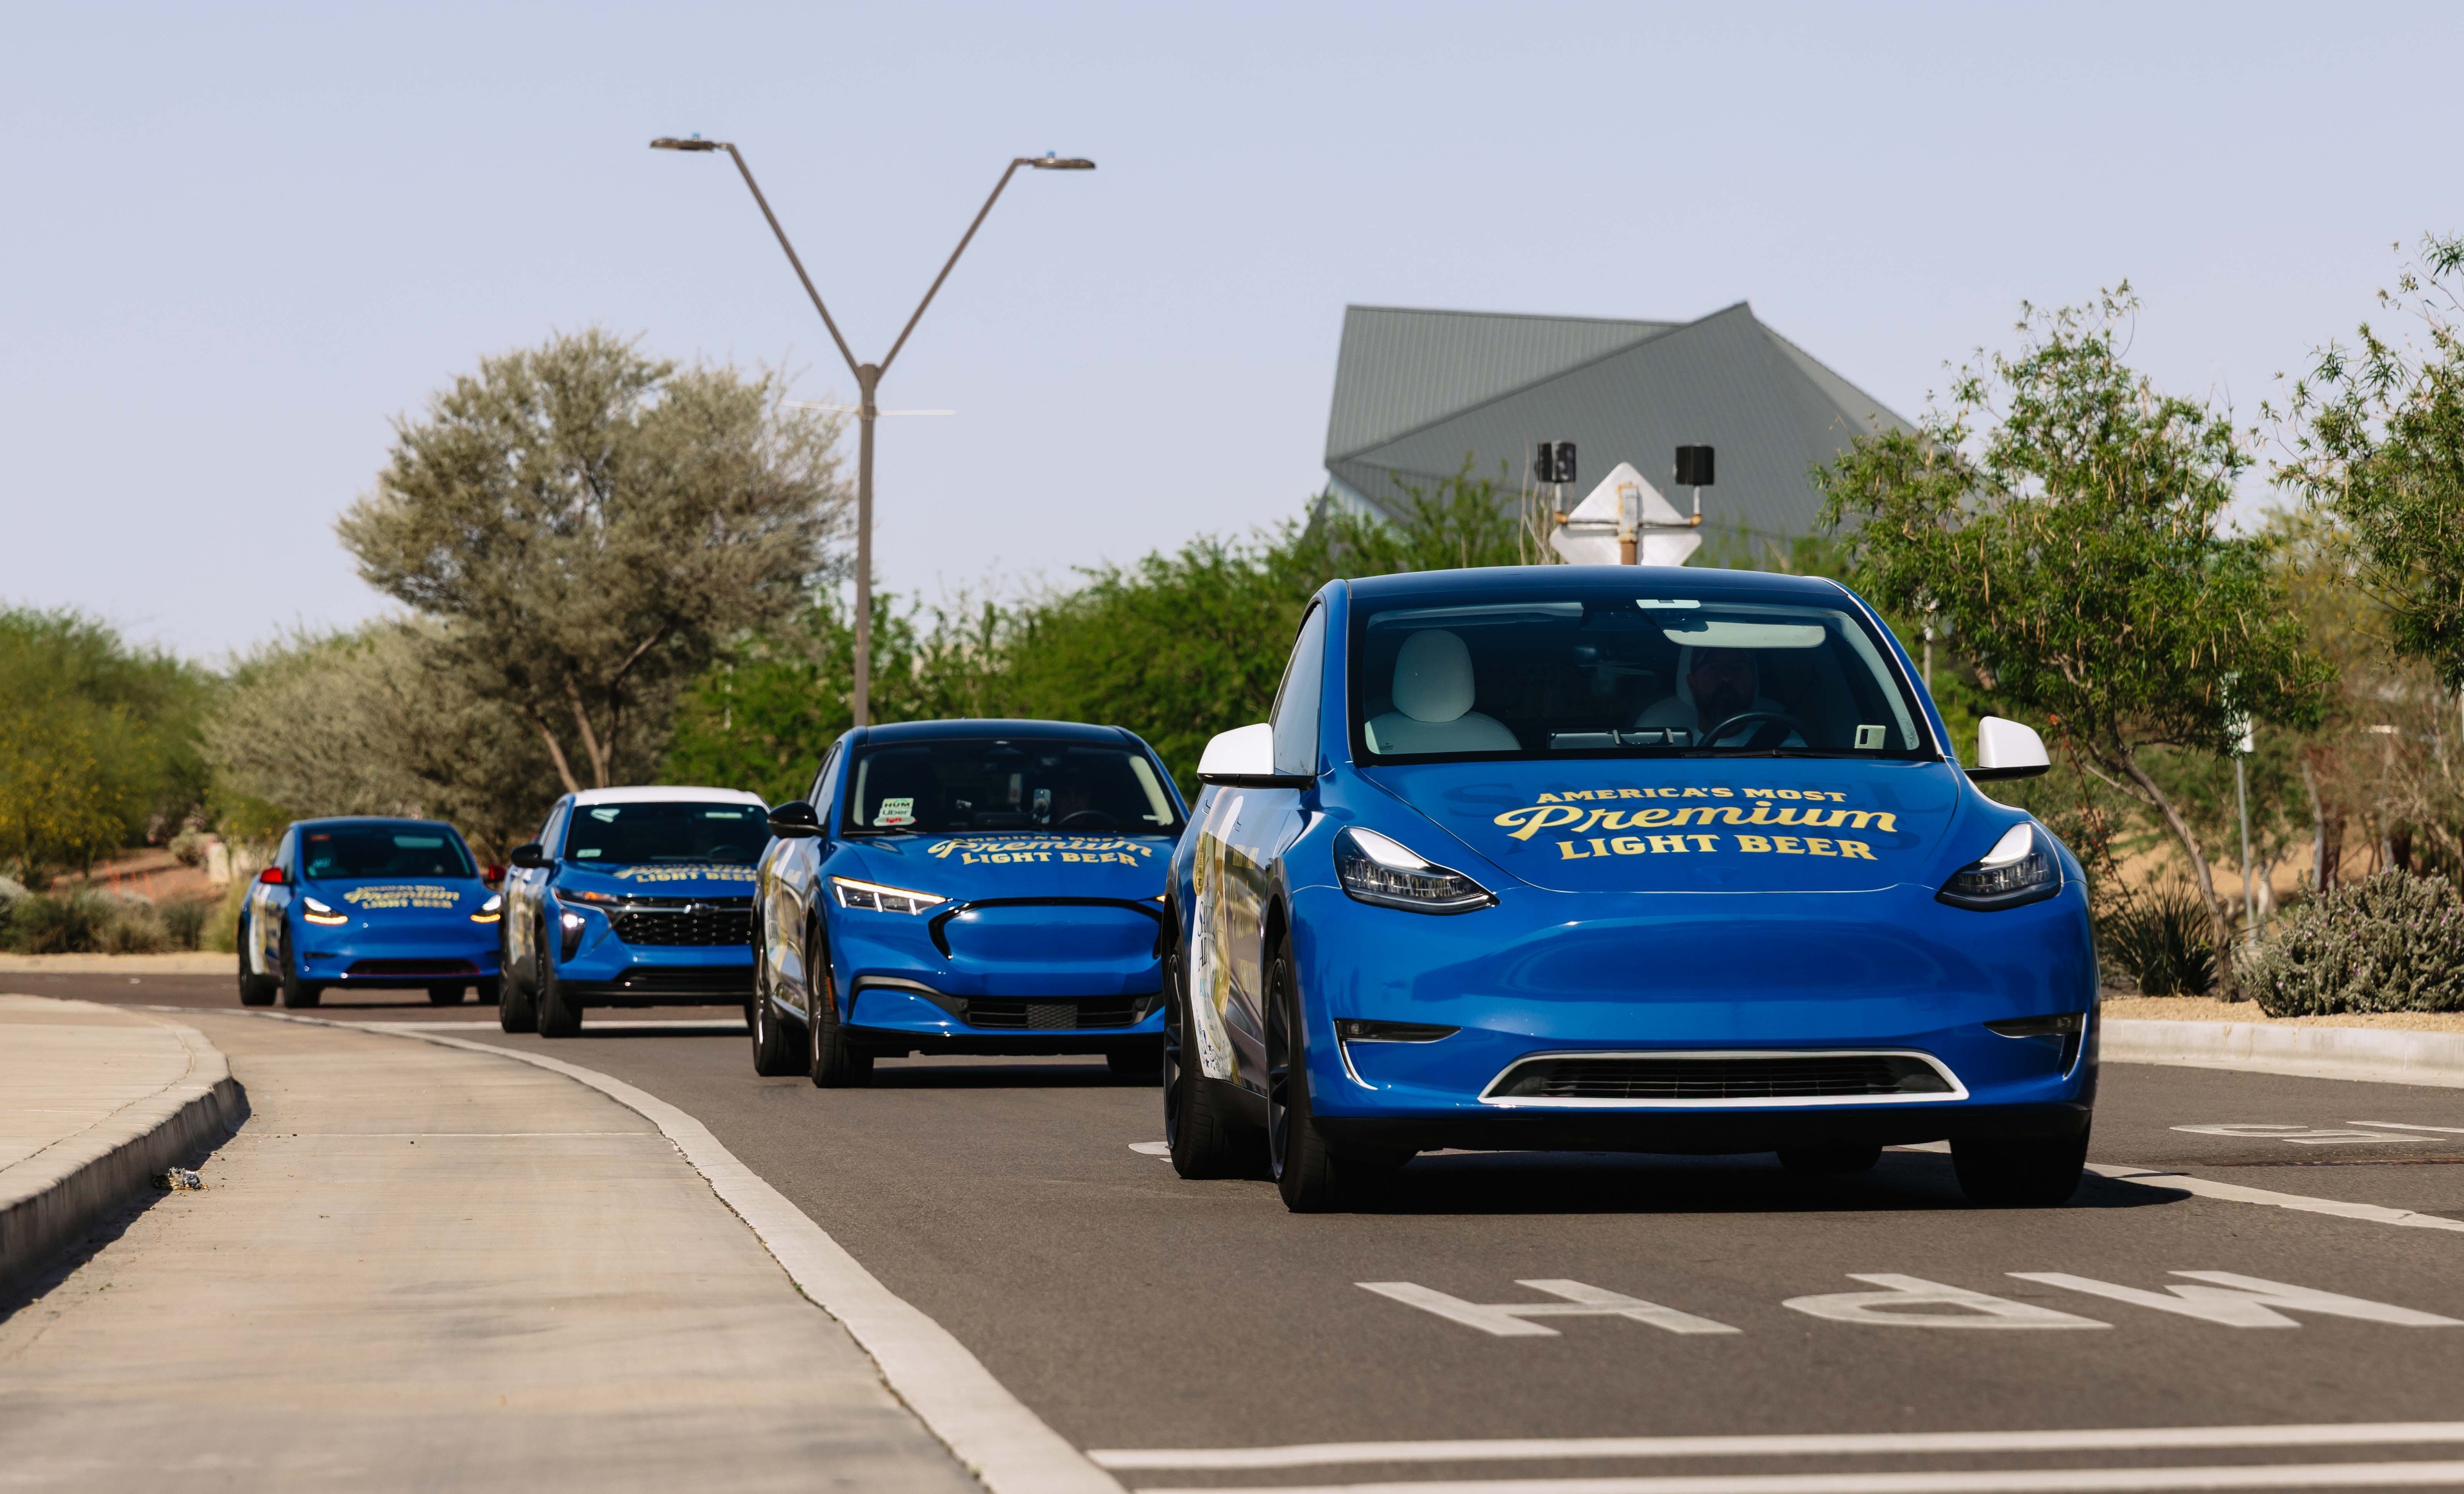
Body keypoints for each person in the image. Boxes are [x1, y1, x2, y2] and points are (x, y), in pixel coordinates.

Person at [1634, 646, 1806, 748]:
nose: (1726, 677)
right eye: (1714, 668)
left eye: (1737, 668)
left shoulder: (1789, 748)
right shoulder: (1659, 752)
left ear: (1753, 682)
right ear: (1692, 684)